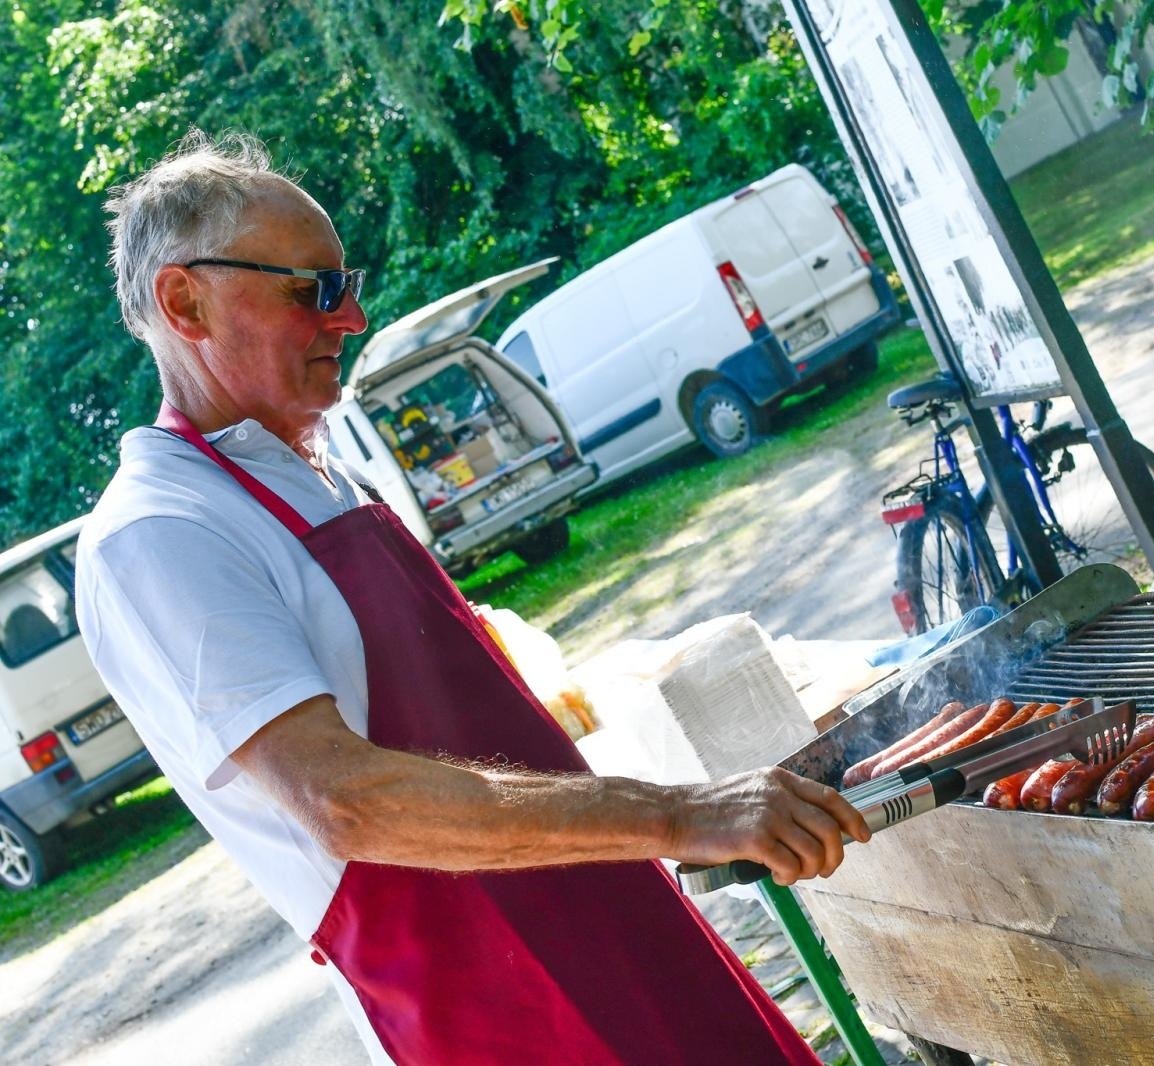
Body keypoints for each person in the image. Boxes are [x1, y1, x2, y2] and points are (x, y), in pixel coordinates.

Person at [75, 130, 870, 1066]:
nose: (351, 317)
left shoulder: (319, 472)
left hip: (606, 906)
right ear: (185, 300)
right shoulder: (159, 531)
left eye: (347, 284)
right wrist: (681, 814)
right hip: (490, 1003)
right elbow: (348, 803)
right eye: (315, 290)